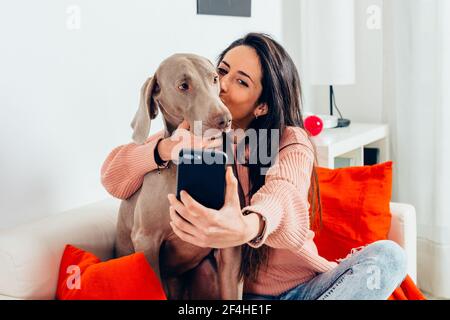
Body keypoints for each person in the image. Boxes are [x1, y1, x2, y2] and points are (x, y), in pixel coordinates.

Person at [101, 33, 407, 300]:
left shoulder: (291, 141)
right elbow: (113, 177)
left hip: (305, 291)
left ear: (262, 105)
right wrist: (164, 148)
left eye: (241, 82)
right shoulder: (194, 138)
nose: (218, 89)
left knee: (389, 257)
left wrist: (247, 225)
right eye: (220, 73)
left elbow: (283, 195)